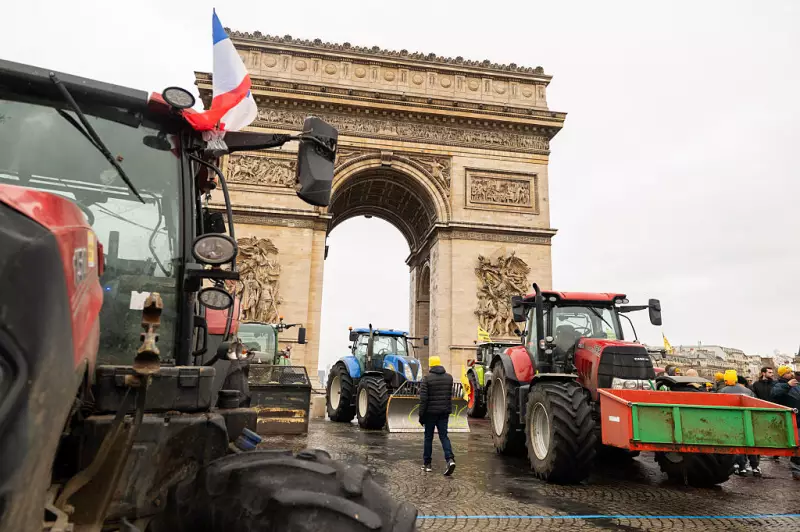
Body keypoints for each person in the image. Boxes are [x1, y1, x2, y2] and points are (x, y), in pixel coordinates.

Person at [718, 370, 761, 476]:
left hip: (731, 421)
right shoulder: (747, 390)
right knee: (750, 443)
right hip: (747, 419)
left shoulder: (722, 391)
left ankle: (742, 467)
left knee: (739, 444)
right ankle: (755, 467)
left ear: (726, 380)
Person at [419, 356, 456, 476]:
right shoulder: (449, 378)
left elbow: (423, 400)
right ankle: (450, 459)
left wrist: (421, 416)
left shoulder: (426, 379)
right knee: (444, 436)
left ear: (430, 365)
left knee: (428, 438)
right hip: (444, 413)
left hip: (430, 414)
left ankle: (427, 464)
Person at [770, 366, 800, 480]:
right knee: (797, 444)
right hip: (791, 419)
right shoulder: (779, 384)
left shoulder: (796, 384)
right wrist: (787, 385)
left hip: (797, 418)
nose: (790, 374)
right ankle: (796, 470)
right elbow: (774, 393)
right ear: (782, 374)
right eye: (788, 372)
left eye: (791, 372)